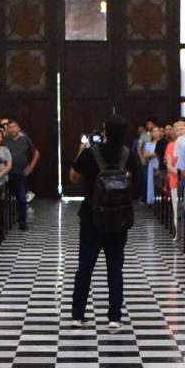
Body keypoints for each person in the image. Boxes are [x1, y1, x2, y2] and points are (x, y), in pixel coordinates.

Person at [66, 116, 141, 330]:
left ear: (105, 132)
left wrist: (82, 148)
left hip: (92, 217)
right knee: (115, 267)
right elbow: (135, 181)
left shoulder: (91, 153)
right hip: (119, 219)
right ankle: (114, 316)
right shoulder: (127, 155)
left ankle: (78, 314)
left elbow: (73, 177)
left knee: (85, 267)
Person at [3, 118, 37, 230]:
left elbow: (36, 153)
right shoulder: (4, 140)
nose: (12, 129)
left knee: (22, 198)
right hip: (6, 174)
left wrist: (30, 167)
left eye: (14, 126)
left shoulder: (25, 140)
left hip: (20, 173)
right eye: (10, 127)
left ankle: (22, 222)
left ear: (19, 128)